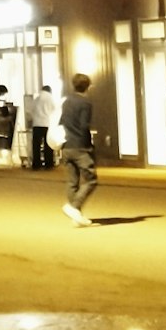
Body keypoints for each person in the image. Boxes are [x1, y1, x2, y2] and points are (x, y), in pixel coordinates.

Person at [60, 73, 97, 225]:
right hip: (80, 146)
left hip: (66, 145)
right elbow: (84, 126)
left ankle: (77, 216)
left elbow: (61, 121)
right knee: (91, 179)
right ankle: (73, 207)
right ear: (88, 86)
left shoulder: (66, 102)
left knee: (72, 182)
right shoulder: (85, 103)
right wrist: (89, 145)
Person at [30, 82, 59, 171]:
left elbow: (31, 111)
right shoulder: (51, 99)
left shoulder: (36, 99)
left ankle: (36, 164)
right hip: (47, 124)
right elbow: (55, 111)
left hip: (36, 124)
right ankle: (48, 164)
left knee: (36, 145)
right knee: (48, 145)